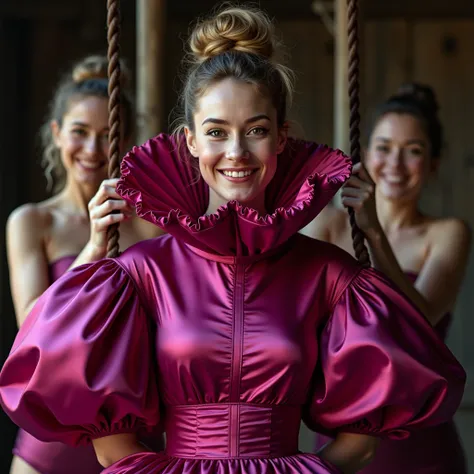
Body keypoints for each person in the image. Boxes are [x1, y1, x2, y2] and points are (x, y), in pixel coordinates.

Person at [0, 7, 466, 474]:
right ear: (190, 143)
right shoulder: (141, 272)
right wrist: (97, 249)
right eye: (216, 132)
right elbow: (107, 443)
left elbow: (361, 443)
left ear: (282, 137)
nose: (237, 152)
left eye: (257, 130)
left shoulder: (332, 276)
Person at [5, 55, 164, 474]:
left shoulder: (149, 226)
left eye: (107, 135)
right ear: (57, 133)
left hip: (133, 439)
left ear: (127, 139)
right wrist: (94, 247)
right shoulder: (33, 222)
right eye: (79, 132)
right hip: (49, 443)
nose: (92, 150)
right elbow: (30, 325)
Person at [303, 83, 471, 473]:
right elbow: (293, 306)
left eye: (413, 151)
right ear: (365, 156)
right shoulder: (327, 227)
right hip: (342, 430)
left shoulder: (447, 233)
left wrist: (373, 233)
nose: (394, 163)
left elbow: (421, 320)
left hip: (420, 438)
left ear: (433, 164)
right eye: (384, 147)